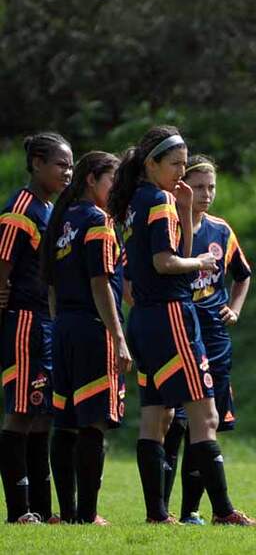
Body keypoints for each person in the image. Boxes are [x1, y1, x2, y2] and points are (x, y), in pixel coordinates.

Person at [109, 125, 256, 525]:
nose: (180, 171)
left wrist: (187, 210)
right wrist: (202, 264)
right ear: (151, 163)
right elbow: (167, 263)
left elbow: (170, 251)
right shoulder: (157, 199)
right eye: (174, 163)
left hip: (143, 319)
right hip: (172, 315)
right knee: (204, 417)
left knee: (155, 416)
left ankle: (157, 514)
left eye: (183, 164)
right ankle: (224, 512)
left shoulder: (134, 202)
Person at [159, 155, 252, 524]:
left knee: (205, 425)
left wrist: (234, 307)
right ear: (183, 187)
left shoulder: (221, 231)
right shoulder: (170, 228)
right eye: (199, 186)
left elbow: (243, 275)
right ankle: (161, 512)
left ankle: (192, 511)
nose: (206, 194)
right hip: (179, 332)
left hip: (214, 338)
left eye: (211, 186)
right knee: (174, 422)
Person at [42, 151, 130, 525]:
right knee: (93, 421)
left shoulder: (63, 220)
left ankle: (68, 511)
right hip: (93, 329)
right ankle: (88, 515)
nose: (115, 190)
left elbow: (50, 286)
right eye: (112, 181)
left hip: (62, 327)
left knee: (65, 421)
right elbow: (100, 284)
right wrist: (119, 337)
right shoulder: (98, 221)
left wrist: (60, 322)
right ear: (92, 180)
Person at [0, 132, 73, 523]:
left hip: (47, 324)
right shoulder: (20, 209)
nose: (68, 171)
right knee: (21, 412)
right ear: (37, 164)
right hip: (24, 321)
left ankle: (42, 510)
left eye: (71, 164)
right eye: (61, 164)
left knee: (43, 412)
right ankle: (18, 511)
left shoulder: (51, 208)